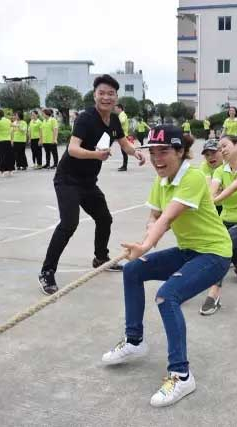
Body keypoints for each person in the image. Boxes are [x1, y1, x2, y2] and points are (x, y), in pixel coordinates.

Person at [101, 125, 231, 408]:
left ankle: (181, 375)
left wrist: (147, 245)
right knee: (133, 270)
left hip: (214, 254)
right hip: (188, 251)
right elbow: (155, 216)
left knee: (167, 295)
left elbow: (168, 218)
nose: (157, 159)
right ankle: (134, 341)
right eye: (153, 152)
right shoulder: (161, 181)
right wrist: (148, 235)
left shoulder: (192, 177)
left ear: (180, 151)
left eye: (164, 151)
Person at [38, 74, 146, 295]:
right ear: (95, 95)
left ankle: (100, 258)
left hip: (88, 182)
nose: (106, 97)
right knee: (69, 224)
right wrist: (96, 155)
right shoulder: (86, 118)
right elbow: (72, 149)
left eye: (111, 93)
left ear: (116, 97)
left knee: (104, 218)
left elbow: (124, 143)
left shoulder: (114, 120)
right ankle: (47, 271)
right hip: (67, 180)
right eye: (102, 93)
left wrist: (135, 152)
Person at [200, 135, 237, 315]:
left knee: (222, 245)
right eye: (220, 148)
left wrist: (213, 200)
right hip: (225, 218)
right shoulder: (220, 171)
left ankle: (213, 294)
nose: (222, 150)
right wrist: (208, 201)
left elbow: (232, 188)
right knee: (221, 243)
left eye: (224, 146)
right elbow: (212, 191)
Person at [0, 110, 14, 176]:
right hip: (8, 140)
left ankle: (2, 171)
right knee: (9, 156)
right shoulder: (8, 120)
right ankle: (10, 171)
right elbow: (12, 125)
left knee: (1, 156)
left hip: (0, 141)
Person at [115, 103, 130, 171]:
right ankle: (124, 165)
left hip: (124, 135)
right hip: (123, 135)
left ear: (120, 108)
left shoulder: (122, 114)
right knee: (123, 151)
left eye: (116, 108)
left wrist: (115, 123)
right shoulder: (121, 114)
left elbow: (122, 121)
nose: (115, 110)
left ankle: (125, 166)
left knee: (124, 151)